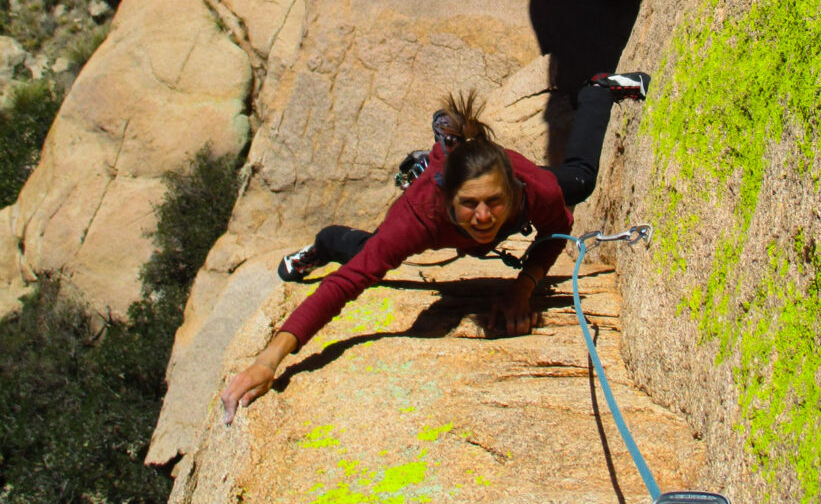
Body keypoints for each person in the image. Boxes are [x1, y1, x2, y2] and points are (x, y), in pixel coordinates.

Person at [220, 71, 650, 424]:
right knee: (368, 254)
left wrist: (524, 287)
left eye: (493, 202)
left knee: (580, 180)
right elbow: (347, 283)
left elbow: (557, 230)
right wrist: (269, 359)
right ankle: (325, 242)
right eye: (470, 204)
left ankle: (599, 89)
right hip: (434, 211)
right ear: (447, 200)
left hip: (497, 178)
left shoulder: (531, 189)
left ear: (510, 191)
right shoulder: (419, 213)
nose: (483, 216)